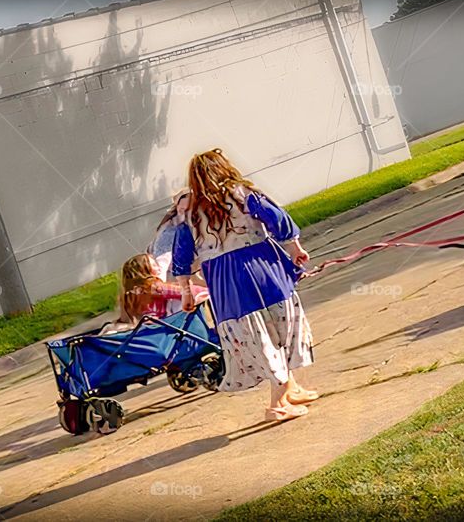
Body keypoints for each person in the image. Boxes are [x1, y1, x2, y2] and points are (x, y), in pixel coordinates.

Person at [172, 148, 318, 421]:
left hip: (224, 282)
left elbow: (181, 256)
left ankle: (290, 387)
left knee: (258, 334)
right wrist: (295, 249)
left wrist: (186, 292)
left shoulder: (189, 214)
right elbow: (279, 219)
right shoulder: (242, 194)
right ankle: (277, 405)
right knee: (280, 327)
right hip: (261, 269)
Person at [105, 253, 208, 333]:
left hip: (144, 328)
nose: (158, 268)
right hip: (160, 327)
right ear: (144, 270)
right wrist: (209, 292)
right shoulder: (152, 286)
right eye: (154, 265)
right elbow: (186, 292)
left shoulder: (128, 295)